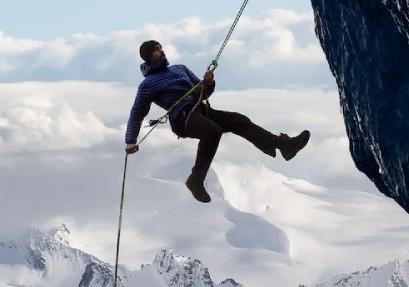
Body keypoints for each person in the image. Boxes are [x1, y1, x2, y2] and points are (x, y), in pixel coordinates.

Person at [125, 40, 311, 203]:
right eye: (157, 50)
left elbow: (203, 93)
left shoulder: (179, 68)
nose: (162, 51)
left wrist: (208, 82)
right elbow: (137, 113)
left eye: (161, 47)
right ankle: (196, 179)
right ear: (148, 57)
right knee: (213, 131)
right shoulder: (147, 85)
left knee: (238, 120)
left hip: (201, 111)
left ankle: (281, 145)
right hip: (182, 119)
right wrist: (130, 140)